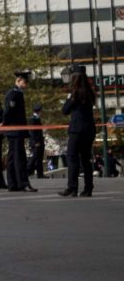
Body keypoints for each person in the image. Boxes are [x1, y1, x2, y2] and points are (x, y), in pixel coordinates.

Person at [60, 65, 96, 197]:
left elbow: (65, 110)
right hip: (89, 129)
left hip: (77, 130)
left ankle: (72, 187)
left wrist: (69, 97)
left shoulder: (75, 93)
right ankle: (88, 188)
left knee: (72, 157)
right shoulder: (90, 92)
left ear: (74, 78)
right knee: (86, 159)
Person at [3, 71, 37, 192]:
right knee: (19, 158)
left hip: (14, 130)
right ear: (18, 80)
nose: (26, 84)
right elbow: (8, 112)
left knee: (12, 157)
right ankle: (23, 183)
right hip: (15, 130)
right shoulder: (14, 94)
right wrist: (5, 125)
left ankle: (13, 183)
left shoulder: (17, 93)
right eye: (25, 81)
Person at [27, 103, 46, 179]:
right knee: (34, 157)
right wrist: (36, 142)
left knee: (39, 158)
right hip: (35, 142)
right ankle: (27, 171)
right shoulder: (33, 119)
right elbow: (32, 132)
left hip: (40, 141)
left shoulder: (37, 118)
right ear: (39, 111)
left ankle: (40, 174)